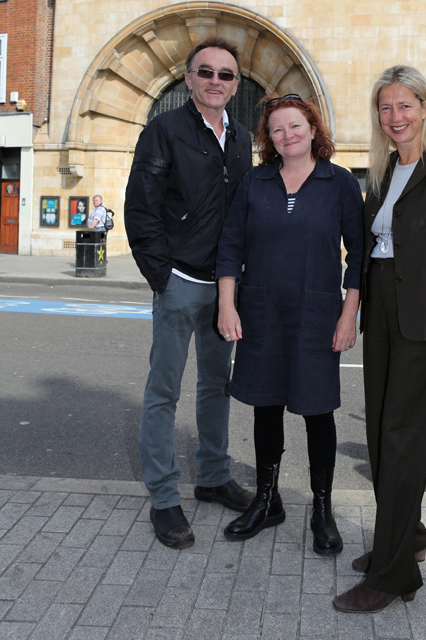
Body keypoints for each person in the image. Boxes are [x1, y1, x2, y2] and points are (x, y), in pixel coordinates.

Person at [333, 66, 426, 613]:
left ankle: (394, 574)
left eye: (404, 106)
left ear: (424, 107)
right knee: (379, 434)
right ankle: (408, 537)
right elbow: (371, 249)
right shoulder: (383, 170)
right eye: (385, 109)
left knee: (403, 440)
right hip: (385, 315)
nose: (395, 118)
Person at [215, 95, 363, 555]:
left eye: (295, 126)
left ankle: (322, 509)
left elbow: (358, 255)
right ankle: (267, 500)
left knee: (318, 412)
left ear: (314, 129)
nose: (287, 136)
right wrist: (227, 305)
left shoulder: (338, 182)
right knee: (265, 406)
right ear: (268, 138)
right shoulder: (254, 182)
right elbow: (230, 246)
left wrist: (348, 315)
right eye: (277, 130)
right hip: (261, 311)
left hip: (317, 315)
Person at [124, 37, 254, 550]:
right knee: (164, 392)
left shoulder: (242, 136)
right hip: (179, 281)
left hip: (225, 287)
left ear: (236, 84)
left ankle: (214, 475)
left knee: (216, 386)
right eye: (206, 73)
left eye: (225, 75)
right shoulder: (165, 130)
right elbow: (141, 209)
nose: (215, 81)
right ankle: (162, 496)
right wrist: (163, 279)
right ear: (188, 79)